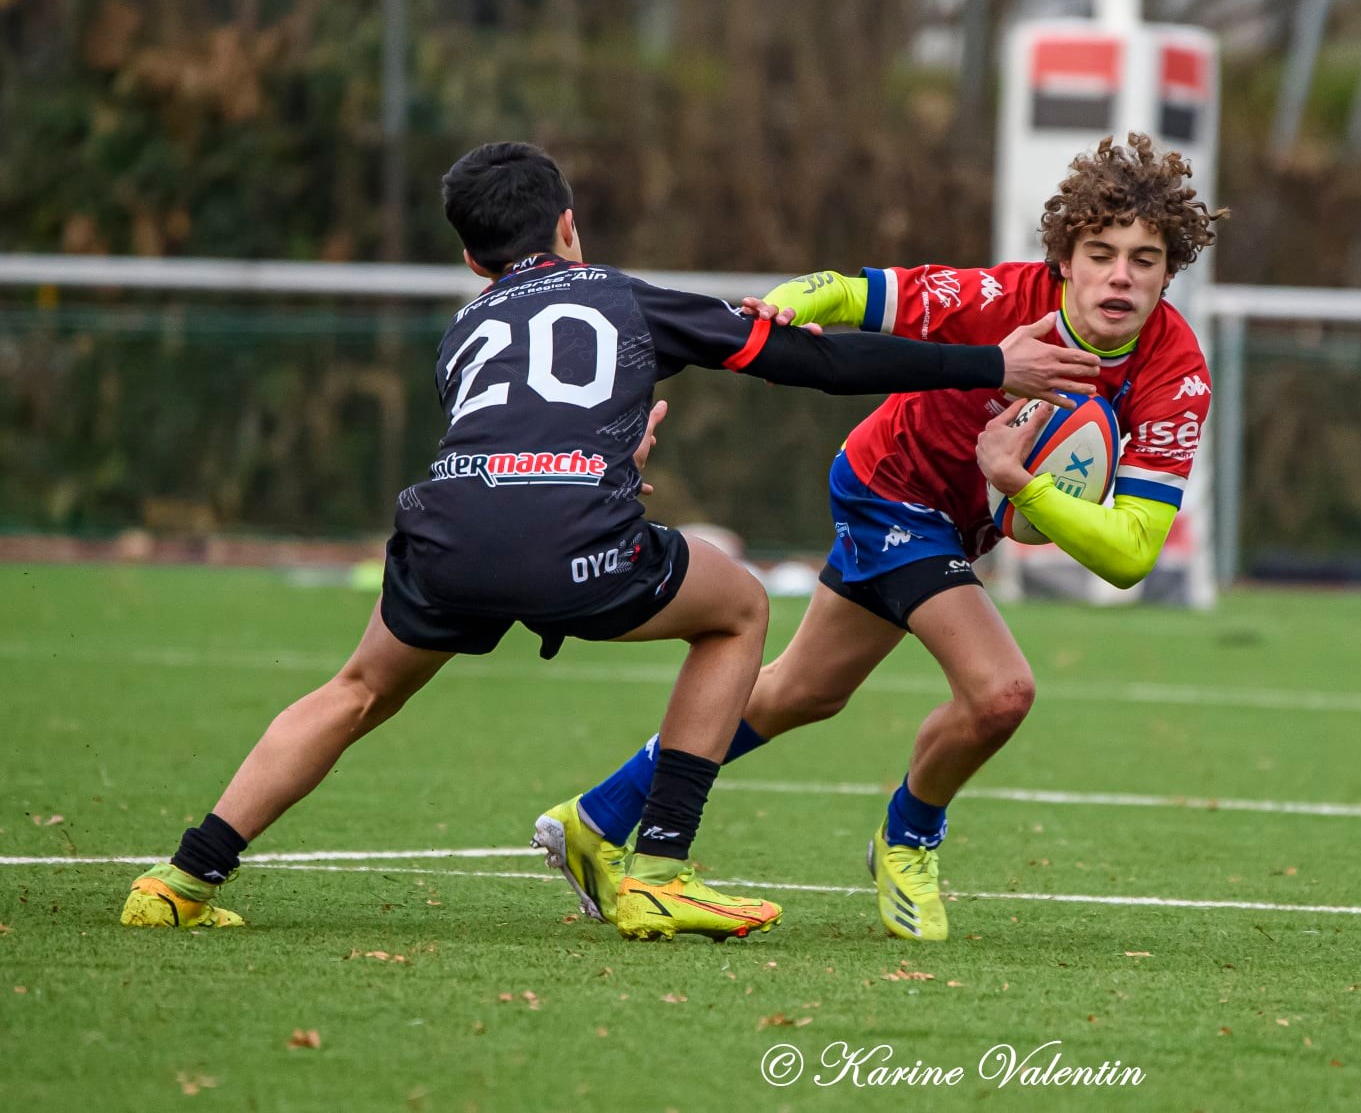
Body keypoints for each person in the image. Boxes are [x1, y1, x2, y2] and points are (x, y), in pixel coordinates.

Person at [120, 141, 1100, 941]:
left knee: (355, 690)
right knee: (739, 606)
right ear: (568, 225)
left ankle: (182, 876)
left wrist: (609, 459)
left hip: (446, 531)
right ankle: (660, 869)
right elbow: (815, 361)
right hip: (569, 540)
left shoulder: (463, 330)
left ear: (472, 259)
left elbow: (510, 434)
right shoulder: (626, 298)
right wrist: (989, 364)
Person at [549, 133, 1227, 940]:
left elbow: (1132, 553)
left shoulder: (1175, 371)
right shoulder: (998, 297)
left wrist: (1021, 485)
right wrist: (780, 308)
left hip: (959, 525)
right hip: (888, 488)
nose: (1120, 276)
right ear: (1064, 260)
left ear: (1168, 271)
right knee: (1001, 692)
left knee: (803, 692)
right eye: (1101, 254)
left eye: (1144, 259)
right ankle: (909, 839)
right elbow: (850, 293)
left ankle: (595, 818)